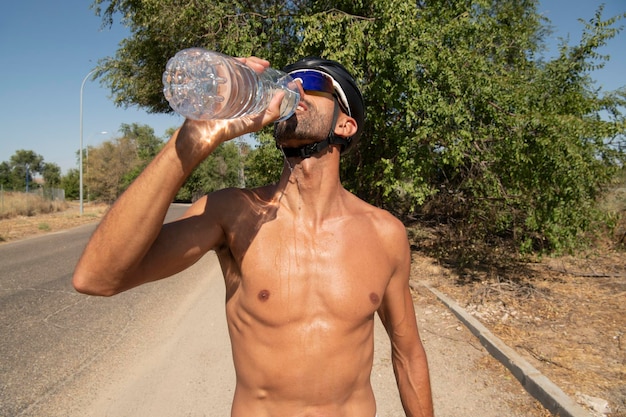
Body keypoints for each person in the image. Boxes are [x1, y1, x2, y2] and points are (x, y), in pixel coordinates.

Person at [73, 55, 433, 417]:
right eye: (288, 81)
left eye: (311, 81)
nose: (294, 89)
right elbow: (97, 277)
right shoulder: (231, 212)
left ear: (345, 125)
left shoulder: (385, 233)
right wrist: (193, 138)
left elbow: (408, 353)